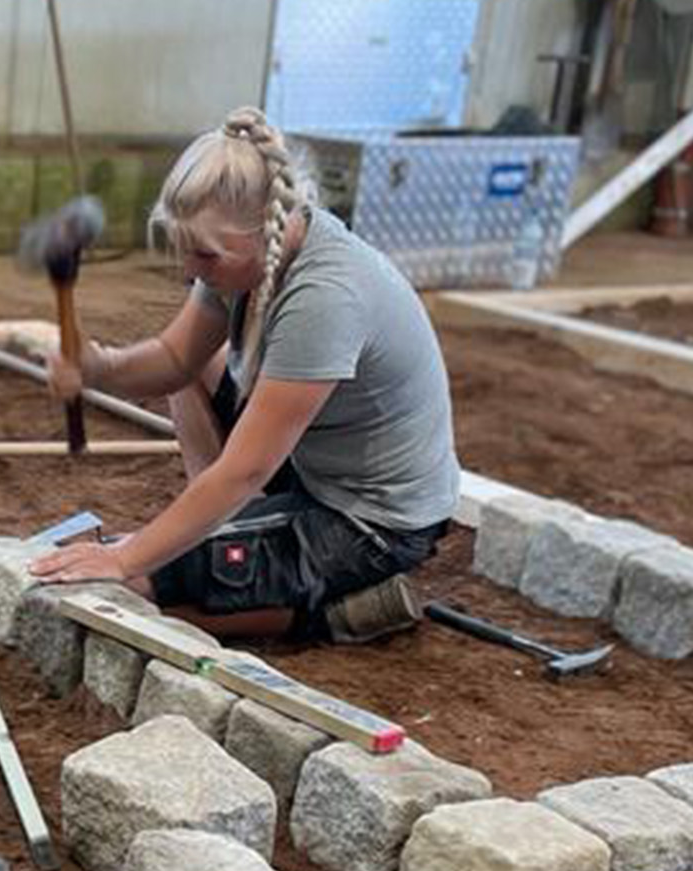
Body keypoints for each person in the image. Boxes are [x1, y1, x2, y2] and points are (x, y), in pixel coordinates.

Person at [31, 107, 459, 643]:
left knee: (134, 588)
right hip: (312, 466)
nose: (190, 271)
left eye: (205, 256)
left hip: (370, 523)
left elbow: (243, 472)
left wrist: (124, 559)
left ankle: (338, 611)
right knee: (192, 374)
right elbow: (174, 359)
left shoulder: (324, 300)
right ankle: (231, 535)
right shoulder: (250, 253)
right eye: (184, 250)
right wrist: (98, 368)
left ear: (266, 231)